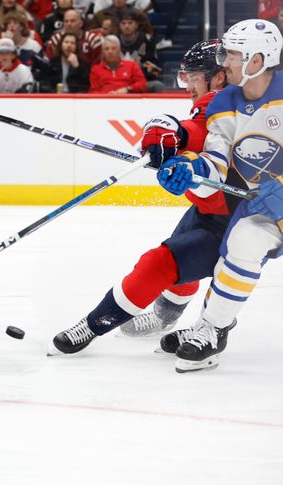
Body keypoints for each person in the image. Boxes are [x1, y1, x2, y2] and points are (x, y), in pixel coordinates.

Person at [155, 19, 283, 372]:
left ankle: (212, 325)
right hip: (273, 199)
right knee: (239, 243)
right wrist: (194, 173)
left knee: (247, 238)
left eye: (232, 54)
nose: (224, 62)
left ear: (257, 60)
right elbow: (216, 165)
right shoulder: (224, 103)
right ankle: (213, 327)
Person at [50, 40, 232, 356]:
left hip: (234, 218)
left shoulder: (222, 104)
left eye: (193, 76)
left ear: (217, 77)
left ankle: (95, 325)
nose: (188, 84)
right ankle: (165, 319)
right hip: (211, 209)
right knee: (180, 260)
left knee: (161, 264)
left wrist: (173, 131)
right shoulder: (225, 100)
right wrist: (169, 139)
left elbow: (201, 131)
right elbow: (195, 134)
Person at [117, 10, 162, 92]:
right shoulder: (113, 40)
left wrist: (139, 66)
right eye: (123, 23)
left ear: (136, 25)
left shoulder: (147, 40)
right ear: (119, 25)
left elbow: (156, 70)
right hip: (118, 81)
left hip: (141, 80)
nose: (127, 26)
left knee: (157, 85)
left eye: (130, 23)